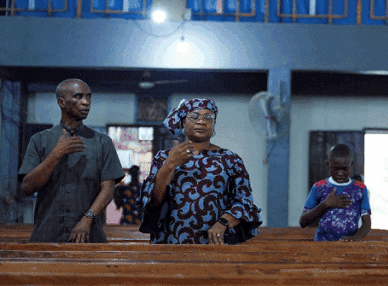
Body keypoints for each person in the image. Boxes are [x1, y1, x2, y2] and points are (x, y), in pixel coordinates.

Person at [139, 98, 262, 244]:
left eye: (208, 117)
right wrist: (169, 165)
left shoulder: (230, 159)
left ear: (214, 123)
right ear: (183, 122)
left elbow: (244, 201)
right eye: (194, 116)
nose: (201, 121)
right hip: (169, 240)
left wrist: (223, 223)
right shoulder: (164, 157)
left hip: (215, 243)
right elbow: (153, 201)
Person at [18, 79, 124, 243]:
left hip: (89, 236)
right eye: (78, 97)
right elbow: (28, 187)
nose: (85, 102)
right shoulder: (40, 140)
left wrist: (87, 219)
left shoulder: (102, 142)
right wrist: (55, 155)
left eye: (88, 97)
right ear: (61, 102)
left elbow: (108, 189)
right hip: (47, 236)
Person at [300, 144, 372, 241]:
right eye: (335, 169)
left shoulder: (360, 189)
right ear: (327, 164)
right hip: (321, 244)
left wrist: (356, 237)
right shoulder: (319, 187)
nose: (340, 173)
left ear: (351, 164)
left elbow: (367, 223)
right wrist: (325, 205)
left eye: (344, 169)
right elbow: (303, 222)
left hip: (349, 245)